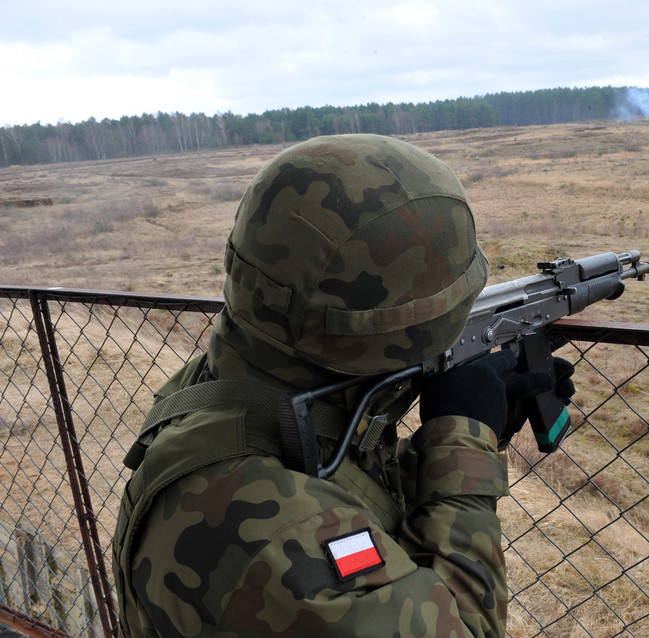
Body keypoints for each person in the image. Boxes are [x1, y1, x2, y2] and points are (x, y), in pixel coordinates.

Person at [112, 134, 574, 638]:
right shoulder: (283, 535)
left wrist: (458, 437)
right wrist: (461, 446)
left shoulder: (242, 391)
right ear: (391, 336)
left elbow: (351, 494)